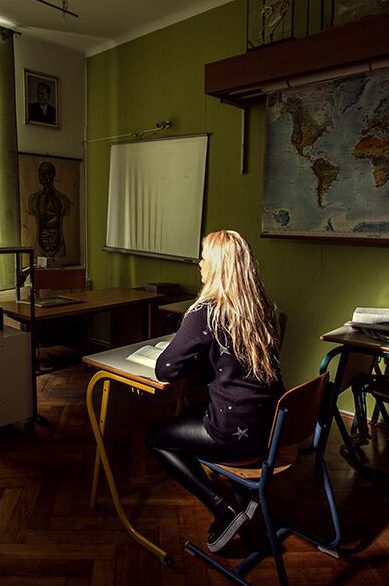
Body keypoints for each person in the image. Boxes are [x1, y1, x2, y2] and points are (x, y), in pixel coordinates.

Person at [146, 230, 284, 553]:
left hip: (233, 435)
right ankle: (245, 495)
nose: (199, 264)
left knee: (156, 437)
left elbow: (165, 369)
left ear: (219, 266)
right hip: (271, 429)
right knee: (191, 412)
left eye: (204, 258)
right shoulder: (260, 308)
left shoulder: (207, 312)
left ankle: (224, 506)